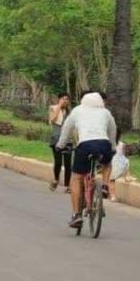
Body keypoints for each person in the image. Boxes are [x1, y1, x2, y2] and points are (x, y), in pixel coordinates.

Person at [56, 91, 117, 229]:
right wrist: (112, 147)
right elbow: (112, 130)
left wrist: (60, 146)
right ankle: (105, 186)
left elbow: (66, 128)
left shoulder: (77, 111)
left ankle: (76, 215)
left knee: (76, 178)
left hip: (85, 145)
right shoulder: (106, 112)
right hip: (103, 144)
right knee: (107, 163)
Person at [48, 93, 72, 193]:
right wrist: (59, 106)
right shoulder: (53, 108)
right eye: (63, 99)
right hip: (56, 138)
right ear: (59, 99)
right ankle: (56, 180)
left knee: (68, 164)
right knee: (58, 162)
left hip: (68, 140)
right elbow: (52, 119)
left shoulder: (70, 112)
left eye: (67, 99)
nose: (65, 101)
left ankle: (67, 186)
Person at [108, 130, 129, 199]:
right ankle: (127, 176)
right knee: (127, 162)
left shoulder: (109, 144)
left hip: (113, 165)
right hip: (121, 165)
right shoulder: (122, 144)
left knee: (111, 181)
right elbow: (124, 155)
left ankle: (113, 195)